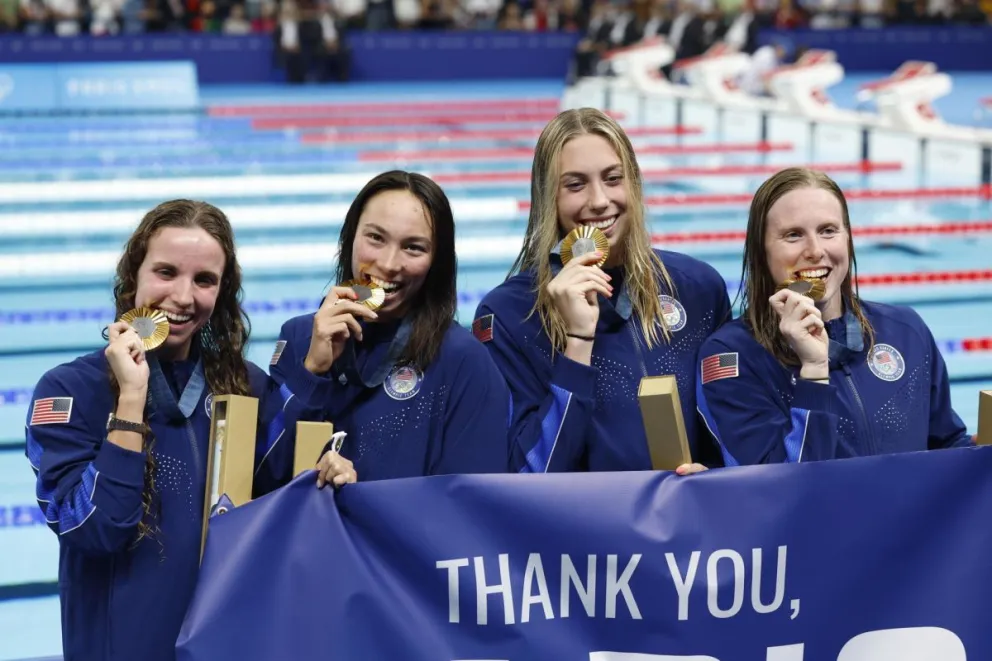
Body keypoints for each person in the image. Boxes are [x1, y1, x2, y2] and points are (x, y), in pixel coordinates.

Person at [24, 200, 309, 661]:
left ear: (223, 292)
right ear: (133, 274)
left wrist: (328, 468)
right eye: (166, 272)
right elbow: (96, 529)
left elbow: (287, 508)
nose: (182, 296)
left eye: (204, 280)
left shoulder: (247, 386)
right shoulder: (70, 392)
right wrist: (131, 400)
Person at [473, 107, 732, 474]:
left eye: (613, 178)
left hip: (686, 520)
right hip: (582, 527)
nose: (599, 200)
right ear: (549, 199)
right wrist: (577, 342)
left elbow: (732, 434)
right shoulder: (509, 314)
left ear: (635, 184)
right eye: (575, 185)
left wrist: (716, 477)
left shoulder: (696, 287)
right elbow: (529, 475)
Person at [696, 167, 974, 466]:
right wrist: (814, 372)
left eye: (828, 231)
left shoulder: (905, 330)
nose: (815, 251)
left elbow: (948, 447)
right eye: (793, 235)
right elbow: (779, 489)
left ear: (848, 239)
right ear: (761, 252)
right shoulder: (731, 357)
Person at [269, 170, 511, 487]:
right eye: (375, 238)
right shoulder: (299, 338)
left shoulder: (464, 364)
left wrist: (361, 501)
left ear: (436, 262)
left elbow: (470, 511)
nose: (389, 263)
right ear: (350, 237)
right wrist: (311, 373)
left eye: (413, 247)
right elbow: (259, 478)